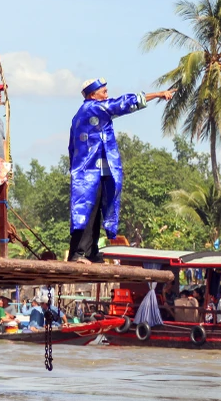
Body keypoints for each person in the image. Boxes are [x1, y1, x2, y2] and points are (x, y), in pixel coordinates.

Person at [68, 79, 174, 263]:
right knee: (87, 210)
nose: (107, 95)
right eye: (104, 92)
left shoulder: (95, 113)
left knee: (98, 208)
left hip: (96, 170)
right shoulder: (90, 108)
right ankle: (78, 253)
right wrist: (157, 94)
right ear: (93, 95)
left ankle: (91, 251)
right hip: (88, 171)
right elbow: (122, 104)